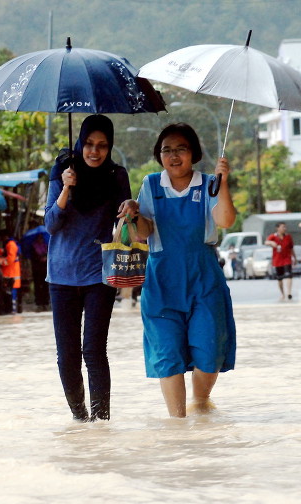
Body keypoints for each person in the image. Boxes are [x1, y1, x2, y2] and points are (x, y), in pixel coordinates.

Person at [120, 122, 237, 418]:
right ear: (159, 155)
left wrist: (223, 184)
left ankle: (200, 403)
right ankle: (177, 426)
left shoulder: (210, 182)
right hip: (162, 284)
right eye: (166, 150)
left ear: (193, 153)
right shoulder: (150, 184)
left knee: (209, 352)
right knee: (167, 354)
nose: (173, 156)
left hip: (205, 279)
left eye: (180, 149)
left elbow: (225, 221)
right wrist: (134, 212)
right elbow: (142, 233)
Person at [44, 114, 131, 421]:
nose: (95, 151)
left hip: (99, 275)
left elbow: (124, 217)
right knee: (67, 357)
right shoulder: (61, 171)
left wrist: (131, 208)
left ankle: (102, 423)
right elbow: (51, 225)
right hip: (61, 275)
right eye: (89, 144)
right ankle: (81, 420)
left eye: (103, 145)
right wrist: (66, 189)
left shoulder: (117, 175)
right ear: (80, 142)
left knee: (93, 351)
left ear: (110, 147)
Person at [264, 222, 296, 299]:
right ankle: (283, 294)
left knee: (289, 276)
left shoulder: (288, 237)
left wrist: (294, 257)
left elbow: (291, 248)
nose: (284, 229)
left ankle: (289, 293)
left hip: (287, 259)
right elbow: (266, 242)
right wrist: (271, 242)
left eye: (285, 227)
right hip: (277, 261)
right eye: (282, 227)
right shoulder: (273, 236)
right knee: (280, 279)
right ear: (277, 228)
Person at [0, 229, 22, 314]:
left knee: (11, 294)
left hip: (11, 274)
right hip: (11, 273)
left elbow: (9, 260)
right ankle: (12, 309)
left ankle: (12, 310)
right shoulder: (10, 244)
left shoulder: (11, 244)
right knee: (11, 293)